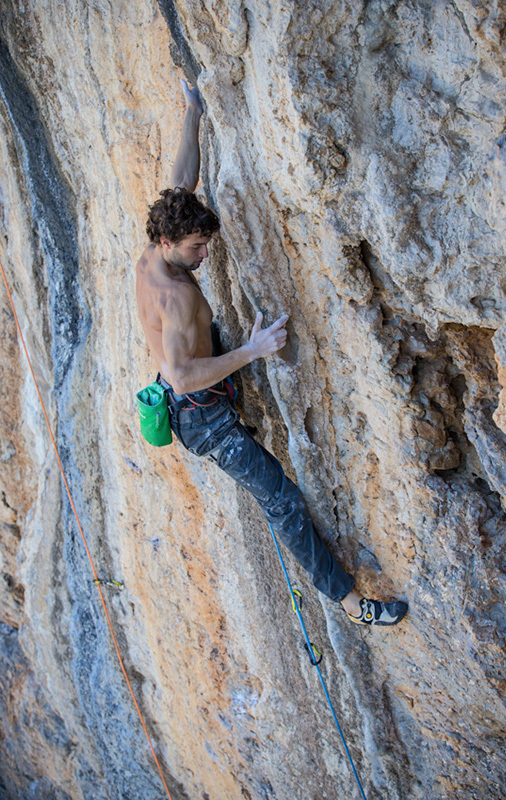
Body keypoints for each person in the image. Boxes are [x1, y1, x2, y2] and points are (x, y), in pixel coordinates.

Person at [135, 79, 408, 627]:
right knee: (281, 501)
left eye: (205, 244)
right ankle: (354, 606)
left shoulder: (156, 251)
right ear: (170, 244)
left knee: (278, 492)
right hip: (203, 416)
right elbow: (184, 375)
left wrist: (191, 110)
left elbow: (181, 180)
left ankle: (350, 601)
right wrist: (254, 349)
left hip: (196, 391)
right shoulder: (179, 295)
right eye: (197, 248)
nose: (205, 254)